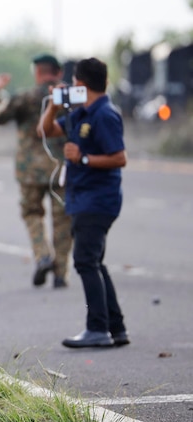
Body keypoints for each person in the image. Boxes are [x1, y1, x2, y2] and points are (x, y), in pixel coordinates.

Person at [38, 57, 128, 348]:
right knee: (94, 262)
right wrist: (53, 103)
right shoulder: (80, 113)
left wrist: (84, 158)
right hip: (82, 197)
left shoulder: (105, 114)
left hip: (97, 198)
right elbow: (46, 130)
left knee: (85, 261)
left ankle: (97, 328)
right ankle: (116, 328)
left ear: (79, 83)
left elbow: (119, 157)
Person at [0, 54, 72, 287]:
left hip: (30, 168)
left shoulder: (25, 97)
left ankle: (43, 254)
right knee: (63, 219)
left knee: (32, 213)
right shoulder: (67, 97)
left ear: (37, 72)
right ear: (59, 73)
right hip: (61, 168)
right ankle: (61, 272)